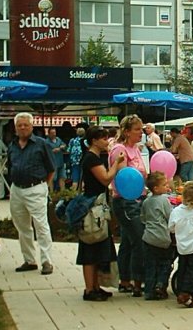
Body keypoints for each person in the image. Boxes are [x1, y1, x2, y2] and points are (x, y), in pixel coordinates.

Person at [78, 126, 123, 302]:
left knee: (98, 246)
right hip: (93, 207)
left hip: (98, 205)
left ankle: (96, 286)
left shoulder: (95, 157)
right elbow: (105, 178)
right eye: (103, 138)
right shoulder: (91, 158)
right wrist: (117, 164)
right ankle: (90, 289)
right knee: (90, 245)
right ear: (94, 140)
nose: (106, 141)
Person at [7, 112, 55, 275]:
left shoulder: (41, 144)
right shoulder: (12, 145)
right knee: (22, 226)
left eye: (25, 125)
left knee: (41, 225)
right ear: (15, 128)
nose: (22, 128)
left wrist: (44, 187)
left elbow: (51, 169)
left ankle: (47, 261)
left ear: (31, 126)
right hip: (16, 189)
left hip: (35, 188)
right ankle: (29, 260)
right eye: (19, 125)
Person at [109, 114, 147, 297]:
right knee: (139, 239)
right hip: (125, 200)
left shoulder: (136, 149)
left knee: (127, 241)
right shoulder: (120, 150)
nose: (141, 132)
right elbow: (125, 176)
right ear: (126, 131)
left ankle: (124, 279)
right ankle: (137, 279)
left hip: (139, 198)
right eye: (137, 129)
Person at [168, 181, 193, 308]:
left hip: (182, 246)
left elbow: (171, 227)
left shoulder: (176, 211)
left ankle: (181, 289)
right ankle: (187, 293)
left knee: (183, 268)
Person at [141, 171, 173, 300]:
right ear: (156, 188)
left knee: (150, 265)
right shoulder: (164, 200)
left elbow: (143, 218)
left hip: (149, 238)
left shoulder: (146, 201)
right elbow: (169, 217)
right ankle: (160, 284)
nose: (167, 187)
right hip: (162, 238)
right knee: (165, 263)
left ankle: (149, 290)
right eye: (164, 185)